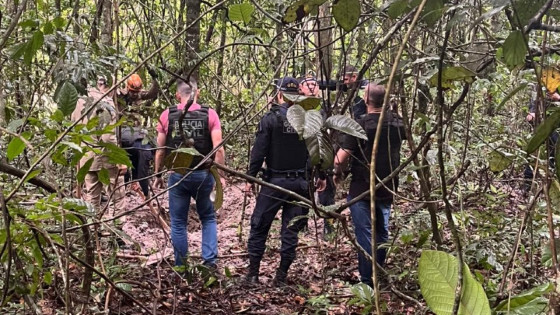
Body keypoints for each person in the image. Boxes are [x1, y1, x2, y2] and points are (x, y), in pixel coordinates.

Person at [333, 83, 405, 287]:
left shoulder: (360, 126)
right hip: (388, 185)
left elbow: (339, 159)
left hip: (361, 188)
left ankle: (367, 280)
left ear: (366, 100)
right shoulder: (398, 123)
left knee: (365, 233)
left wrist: (336, 174)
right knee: (381, 231)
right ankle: (378, 273)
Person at [244, 77, 313, 286]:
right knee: (290, 231)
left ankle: (253, 274)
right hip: (299, 183)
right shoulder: (307, 120)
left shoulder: (271, 118)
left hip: (274, 183)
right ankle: (281, 277)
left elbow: (259, 151)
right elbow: (314, 153)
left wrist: (250, 176)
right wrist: (318, 177)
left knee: (259, 226)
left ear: (279, 94)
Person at [153, 78, 226, 268]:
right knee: (208, 218)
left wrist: (157, 175)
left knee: (178, 223)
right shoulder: (210, 114)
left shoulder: (167, 115)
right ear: (197, 92)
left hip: (178, 176)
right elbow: (219, 149)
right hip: (203, 174)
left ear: (178, 95)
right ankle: (209, 263)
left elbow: (160, 150)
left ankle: (181, 266)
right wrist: (220, 177)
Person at [71, 76, 126, 214]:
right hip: (104, 158)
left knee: (92, 198)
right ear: (110, 86)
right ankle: (115, 232)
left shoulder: (78, 101)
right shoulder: (105, 103)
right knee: (116, 195)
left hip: (85, 156)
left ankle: (92, 230)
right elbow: (107, 137)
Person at [298, 74, 335, 237]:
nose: (312, 87)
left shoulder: (326, 107)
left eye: (314, 84)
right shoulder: (297, 108)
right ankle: (302, 225)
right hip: (303, 156)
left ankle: (328, 226)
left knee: (327, 193)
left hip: (324, 155)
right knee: (303, 192)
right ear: (301, 88)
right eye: (308, 84)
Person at [118, 71, 159, 198]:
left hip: (136, 131)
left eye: (137, 92)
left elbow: (153, 93)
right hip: (122, 130)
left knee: (146, 146)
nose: (135, 95)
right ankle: (123, 187)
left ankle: (138, 181)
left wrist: (155, 78)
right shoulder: (120, 95)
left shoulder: (140, 95)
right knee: (124, 160)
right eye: (133, 92)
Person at [525, 89, 560, 189]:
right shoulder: (546, 80)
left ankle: (551, 182)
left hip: (556, 123)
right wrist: (532, 112)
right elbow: (537, 97)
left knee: (554, 149)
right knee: (533, 148)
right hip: (543, 120)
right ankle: (528, 181)